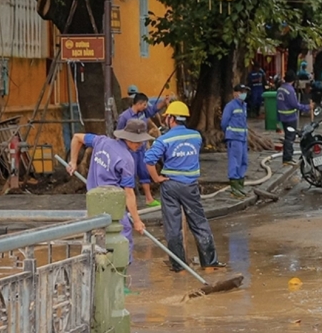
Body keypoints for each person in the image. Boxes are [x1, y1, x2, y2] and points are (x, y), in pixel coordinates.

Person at [145, 101, 226, 271]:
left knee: (173, 227)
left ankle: (179, 267)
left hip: (170, 185)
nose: (166, 119)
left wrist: (156, 178)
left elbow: (148, 160)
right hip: (190, 186)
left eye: (167, 117)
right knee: (199, 223)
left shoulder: (163, 140)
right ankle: (209, 264)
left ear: (172, 119)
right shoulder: (196, 136)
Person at [65, 119, 150, 260]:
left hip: (93, 201)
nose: (140, 145)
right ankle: (121, 272)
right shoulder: (126, 160)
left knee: (95, 235)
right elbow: (129, 194)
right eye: (138, 142)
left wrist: (73, 161)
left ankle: (95, 267)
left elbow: (77, 137)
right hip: (112, 204)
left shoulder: (101, 141)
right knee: (123, 234)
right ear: (129, 139)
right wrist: (136, 221)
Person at [117, 92, 171, 207]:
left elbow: (154, 109)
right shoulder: (124, 117)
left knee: (144, 172)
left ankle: (149, 198)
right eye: (145, 104)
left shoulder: (143, 112)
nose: (146, 107)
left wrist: (164, 103)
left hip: (142, 149)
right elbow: (119, 134)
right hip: (130, 151)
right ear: (139, 104)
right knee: (129, 175)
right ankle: (129, 201)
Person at [222, 84, 250, 198]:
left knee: (244, 161)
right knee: (235, 162)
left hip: (243, 138)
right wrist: (229, 133)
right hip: (234, 138)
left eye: (245, 92)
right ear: (235, 93)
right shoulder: (230, 106)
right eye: (241, 91)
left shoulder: (244, 106)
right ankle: (234, 188)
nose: (243, 94)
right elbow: (224, 122)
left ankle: (240, 185)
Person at [277, 71, 310, 165]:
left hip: (283, 117)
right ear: (293, 80)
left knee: (288, 136)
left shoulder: (280, 89)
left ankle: (287, 157)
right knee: (289, 138)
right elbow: (295, 105)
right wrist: (307, 107)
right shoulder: (290, 90)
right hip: (290, 118)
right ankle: (287, 158)